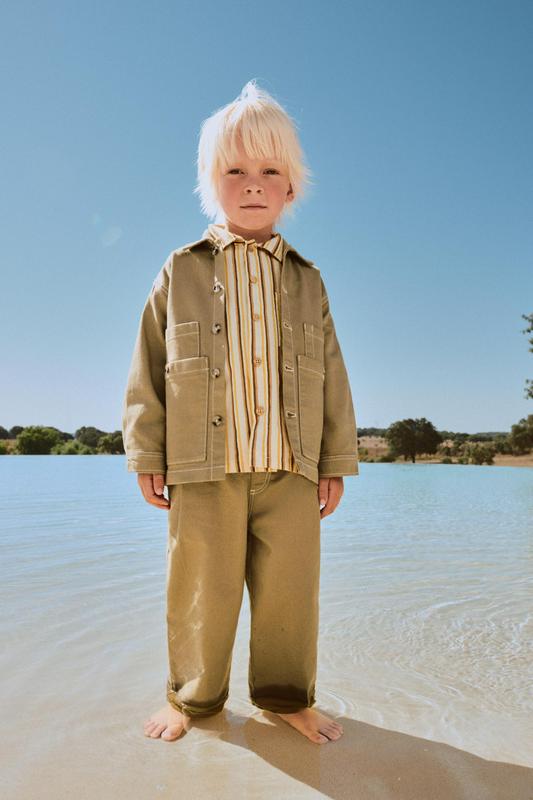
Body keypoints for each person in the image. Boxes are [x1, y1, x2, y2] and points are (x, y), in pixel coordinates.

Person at [121, 79, 359, 745]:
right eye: (235, 171)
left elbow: (332, 375)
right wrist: (146, 454)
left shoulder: (308, 280)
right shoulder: (181, 269)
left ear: (291, 186)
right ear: (209, 181)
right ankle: (193, 702)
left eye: (269, 171)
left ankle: (285, 697)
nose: (252, 185)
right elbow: (146, 366)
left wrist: (335, 461)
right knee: (201, 592)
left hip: (291, 469)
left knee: (290, 596)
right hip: (202, 468)